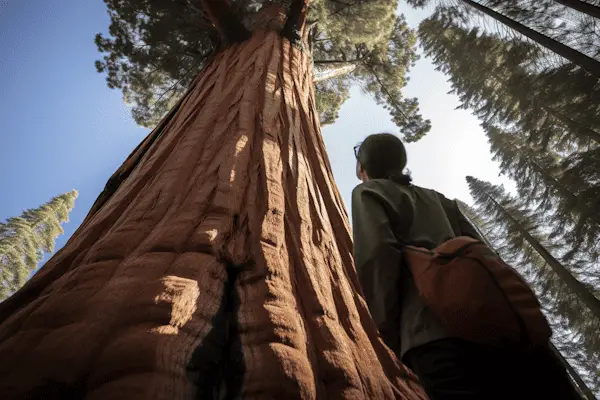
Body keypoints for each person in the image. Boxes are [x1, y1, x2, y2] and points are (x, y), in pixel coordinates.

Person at [351, 133, 580, 400]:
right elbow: (482, 251)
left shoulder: (368, 191)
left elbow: (377, 253)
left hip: (434, 335)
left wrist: (389, 328)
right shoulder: (440, 200)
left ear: (362, 169)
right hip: (500, 325)